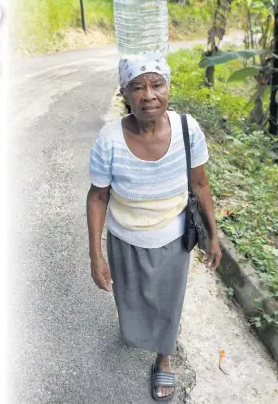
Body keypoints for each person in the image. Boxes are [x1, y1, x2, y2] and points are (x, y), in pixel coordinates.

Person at [87, 55, 222, 402]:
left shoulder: (187, 130)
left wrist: (214, 236)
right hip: (126, 236)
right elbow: (98, 196)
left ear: (168, 89)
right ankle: (139, 333)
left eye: (157, 84)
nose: (149, 95)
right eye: (138, 86)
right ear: (125, 94)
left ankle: (164, 356)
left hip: (172, 236)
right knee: (130, 297)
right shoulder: (109, 139)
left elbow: (201, 184)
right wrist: (95, 255)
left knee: (168, 299)